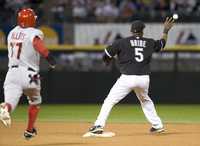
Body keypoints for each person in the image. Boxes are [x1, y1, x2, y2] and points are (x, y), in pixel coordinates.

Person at [85, 17, 175, 136]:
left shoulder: (122, 42)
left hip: (127, 77)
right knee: (145, 100)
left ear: (131, 31)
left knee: (110, 100)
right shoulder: (149, 42)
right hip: (144, 78)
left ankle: (98, 125)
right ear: (142, 31)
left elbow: (106, 53)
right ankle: (158, 126)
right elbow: (162, 44)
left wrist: (107, 61)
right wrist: (165, 31)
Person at [0, 8, 56, 140]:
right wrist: (51, 59)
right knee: (35, 102)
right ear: (31, 20)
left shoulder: (12, 32)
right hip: (30, 74)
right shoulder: (34, 32)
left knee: (10, 103)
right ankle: (29, 131)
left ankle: (5, 108)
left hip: (12, 73)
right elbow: (38, 44)